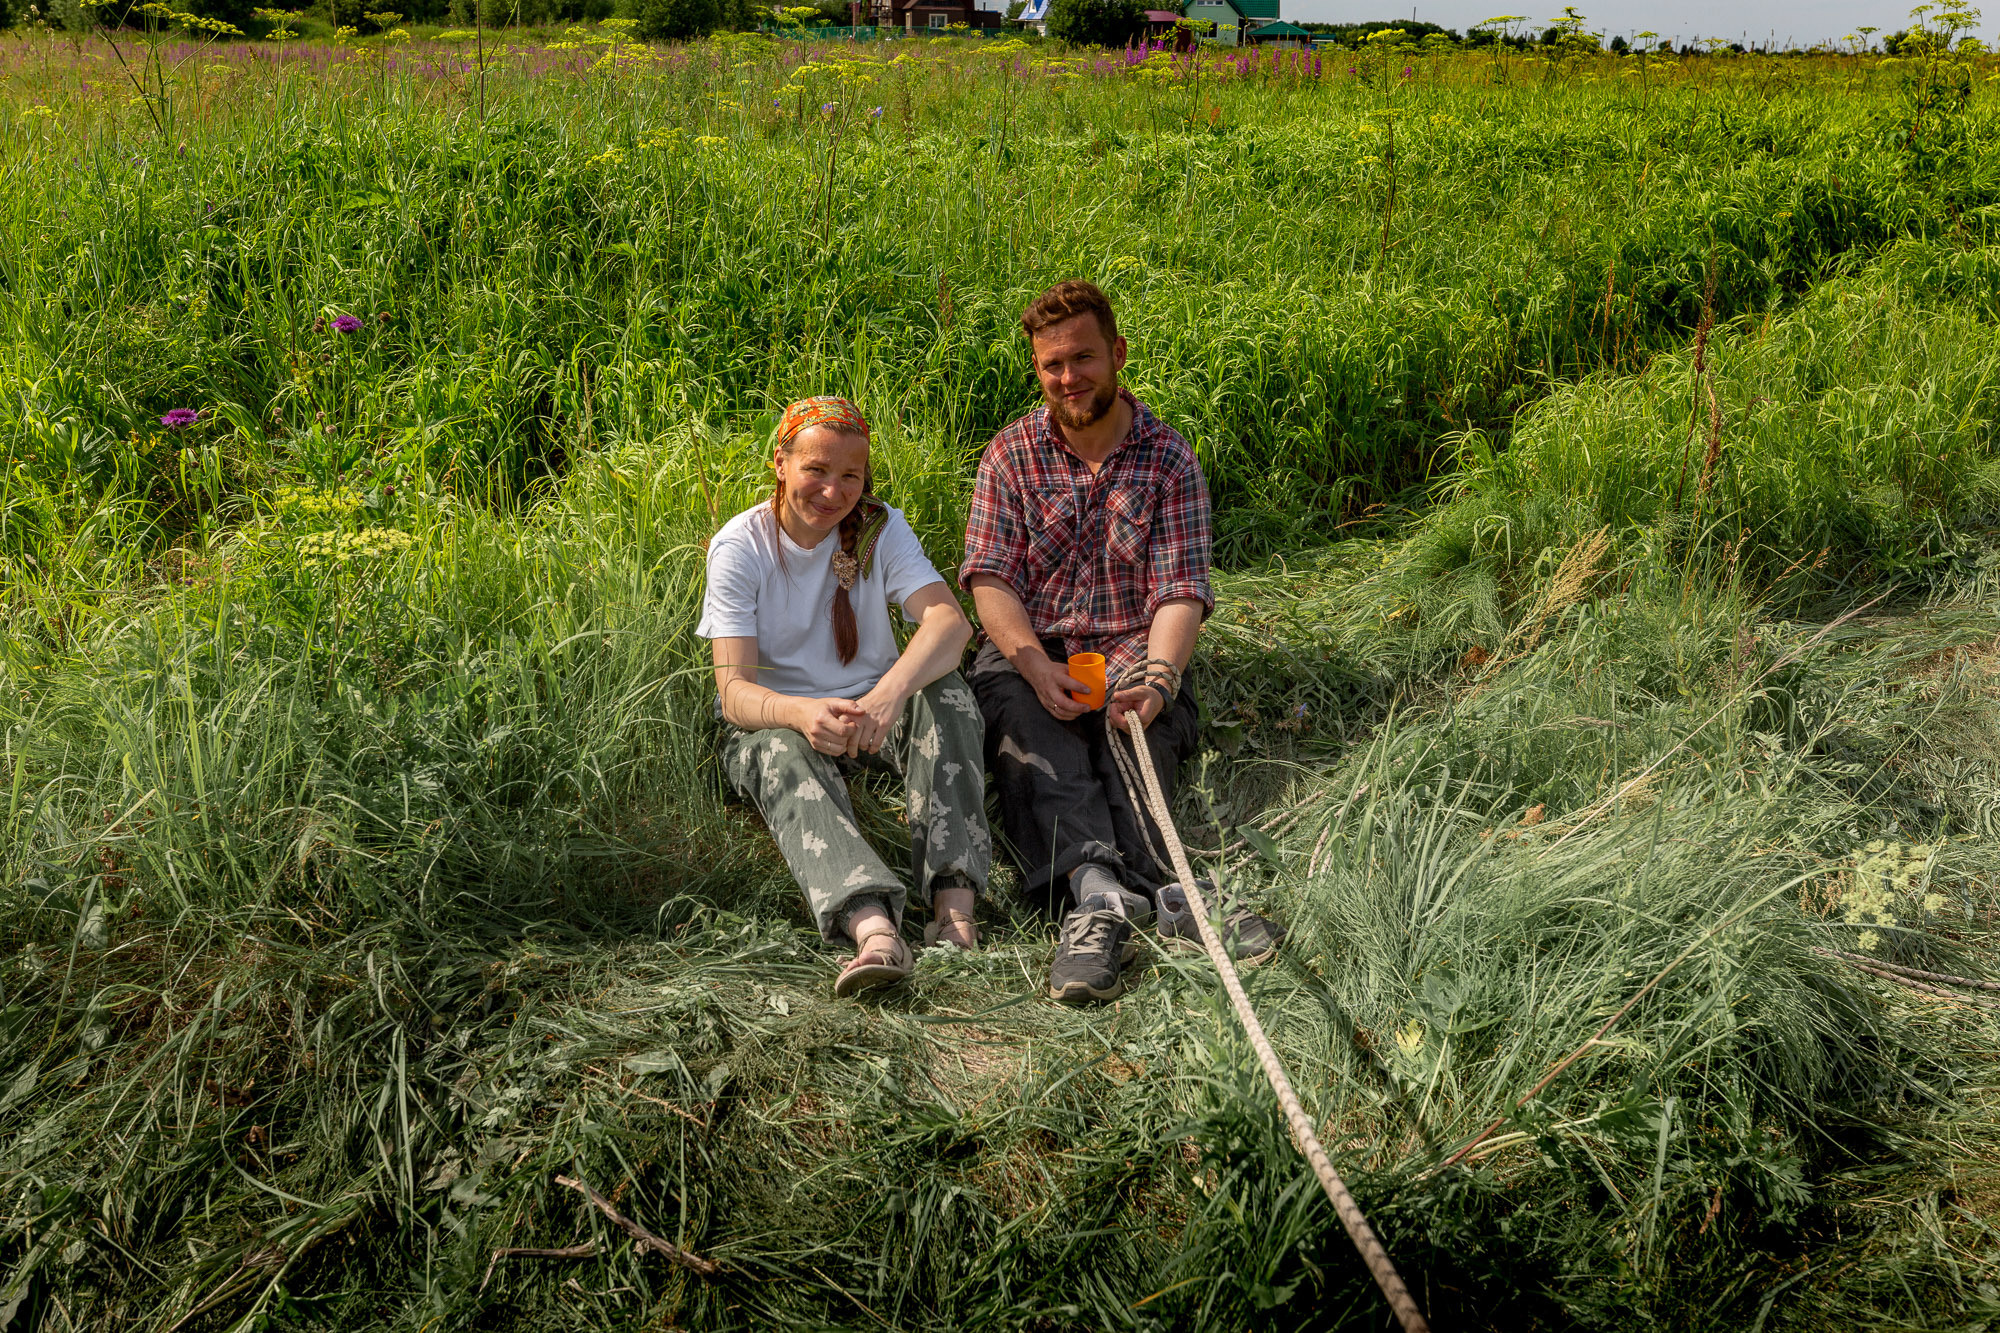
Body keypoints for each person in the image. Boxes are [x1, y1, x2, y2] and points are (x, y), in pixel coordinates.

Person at [961, 281, 1282, 1004]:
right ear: (1037, 369)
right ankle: (1099, 898)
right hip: (1033, 648)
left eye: (1083, 358)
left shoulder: (1168, 459)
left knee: (1135, 734)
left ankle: (1174, 891)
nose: (1069, 378)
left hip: (1138, 645)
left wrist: (1161, 679)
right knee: (1033, 735)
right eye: (1052, 365)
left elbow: (1179, 592)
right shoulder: (1010, 456)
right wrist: (1035, 664)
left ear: (1118, 354)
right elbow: (988, 581)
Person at [699, 396, 990, 997]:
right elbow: (734, 694)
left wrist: (885, 698)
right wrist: (802, 713)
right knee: (779, 752)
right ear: (781, 463)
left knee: (950, 697)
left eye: (850, 476)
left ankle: (953, 906)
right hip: (782, 716)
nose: (833, 491)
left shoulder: (883, 528)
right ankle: (874, 927)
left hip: (871, 706)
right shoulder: (741, 547)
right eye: (816, 470)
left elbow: (949, 625)